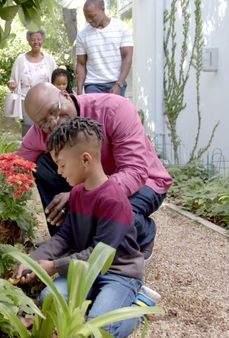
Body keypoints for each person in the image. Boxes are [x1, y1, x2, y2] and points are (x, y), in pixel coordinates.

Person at [14, 117, 143, 337]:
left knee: (99, 328)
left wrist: (53, 266)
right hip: (85, 270)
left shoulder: (114, 200)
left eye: (62, 164)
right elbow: (65, 237)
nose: (59, 172)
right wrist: (33, 261)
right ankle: (98, 302)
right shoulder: (76, 193)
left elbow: (98, 257)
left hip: (119, 273)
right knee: (49, 300)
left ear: (85, 159)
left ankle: (133, 312)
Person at [17, 82, 172, 259]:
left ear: (66, 95)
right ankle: (66, 236)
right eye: (44, 122)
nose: (53, 123)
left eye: (55, 110)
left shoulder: (115, 109)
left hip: (145, 182)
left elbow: (135, 171)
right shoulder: (42, 131)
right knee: (42, 164)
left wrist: (81, 194)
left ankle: (144, 232)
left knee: (111, 218)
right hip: (89, 183)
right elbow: (17, 167)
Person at [76, 0, 133, 97]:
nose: (89, 20)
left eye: (92, 16)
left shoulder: (121, 28)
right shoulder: (82, 35)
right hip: (93, 84)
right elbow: (81, 64)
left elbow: (127, 57)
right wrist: (79, 92)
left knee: (115, 112)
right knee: (95, 113)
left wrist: (119, 84)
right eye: (86, 17)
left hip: (116, 82)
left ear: (102, 9)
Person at [8, 29, 57, 136]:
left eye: (39, 39)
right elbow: (12, 79)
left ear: (43, 40)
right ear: (29, 41)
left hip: (45, 101)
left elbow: (56, 79)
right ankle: (27, 151)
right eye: (33, 39)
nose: (36, 42)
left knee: (46, 128)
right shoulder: (21, 59)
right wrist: (11, 84)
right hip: (25, 99)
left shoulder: (49, 60)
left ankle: (45, 151)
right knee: (29, 128)